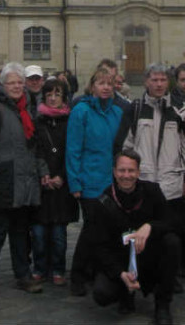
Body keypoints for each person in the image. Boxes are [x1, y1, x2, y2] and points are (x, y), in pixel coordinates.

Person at [122, 63, 185, 290]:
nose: (158, 84)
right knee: (142, 232)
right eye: (154, 80)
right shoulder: (134, 108)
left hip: (171, 183)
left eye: (162, 80)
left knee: (170, 233)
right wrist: (127, 175)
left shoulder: (179, 109)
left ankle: (170, 276)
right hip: (144, 182)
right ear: (147, 82)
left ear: (169, 82)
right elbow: (125, 145)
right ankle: (142, 273)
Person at [80, 150, 180, 325]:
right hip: (119, 260)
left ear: (139, 172)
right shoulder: (103, 202)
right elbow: (99, 247)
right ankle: (124, 293)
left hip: (148, 257)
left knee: (171, 242)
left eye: (131, 171)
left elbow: (171, 221)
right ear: (114, 171)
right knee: (102, 294)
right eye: (121, 170)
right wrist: (120, 273)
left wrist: (150, 226)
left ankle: (162, 304)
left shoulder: (152, 191)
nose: (126, 175)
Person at [0, 62, 43, 299]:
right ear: (2, 85)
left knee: (20, 232)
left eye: (19, 82)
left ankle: (22, 275)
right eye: (11, 82)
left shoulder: (26, 110)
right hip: (3, 180)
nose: (16, 86)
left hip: (23, 180)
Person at [66, 66, 124, 295]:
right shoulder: (80, 111)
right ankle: (78, 275)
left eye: (110, 84)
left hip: (112, 183)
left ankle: (96, 271)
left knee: (107, 231)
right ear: (92, 86)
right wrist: (75, 182)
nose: (106, 87)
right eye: (101, 83)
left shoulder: (117, 112)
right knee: (92, 230)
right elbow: (73, 149)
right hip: (89, 181)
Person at [31, 76, 79, 284]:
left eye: (57, 94)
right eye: (48, 94)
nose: (52, 99)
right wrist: (44, 174)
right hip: (41, 184)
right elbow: (35, 150)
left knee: (59, 234)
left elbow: (73, 151)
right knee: (39, 234)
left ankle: (58, 268)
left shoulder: (71, 122)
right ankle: (40, 267)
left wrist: (61, 176)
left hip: (62, 185)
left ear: (64, 98)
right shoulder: (37, 121)